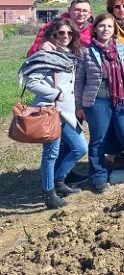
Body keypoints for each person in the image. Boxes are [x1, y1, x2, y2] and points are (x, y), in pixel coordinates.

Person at [20, 17, 87, 208]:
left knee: (80, 148)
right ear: (53, 34)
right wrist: (55, 93)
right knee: (51, 154)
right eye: (61, 33)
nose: (66, 36)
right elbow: (31, 82)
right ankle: (49, 194)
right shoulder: (45, 55)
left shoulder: (68, 54)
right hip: (50, 112)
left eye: (69, 33)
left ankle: (59, 180)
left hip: (67, 113)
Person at [76, 13, 124, 193]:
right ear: (95, 29)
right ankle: (98, 175)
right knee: (99, 138)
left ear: (114, 30)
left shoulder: (122, 50)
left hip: (122, 100)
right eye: (101, 26)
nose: (105, 29)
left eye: (109, 26)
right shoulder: (86, 52)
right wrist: (79, 106)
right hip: (97, 101)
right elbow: (79, 81)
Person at [27, 0, 93, 57]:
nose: (81, 14)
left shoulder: (95, 30)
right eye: (77, 10)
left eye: (85, 11)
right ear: (69, 10)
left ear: (90, 14)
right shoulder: (50, 27)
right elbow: (31, 54)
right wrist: (40, 47)